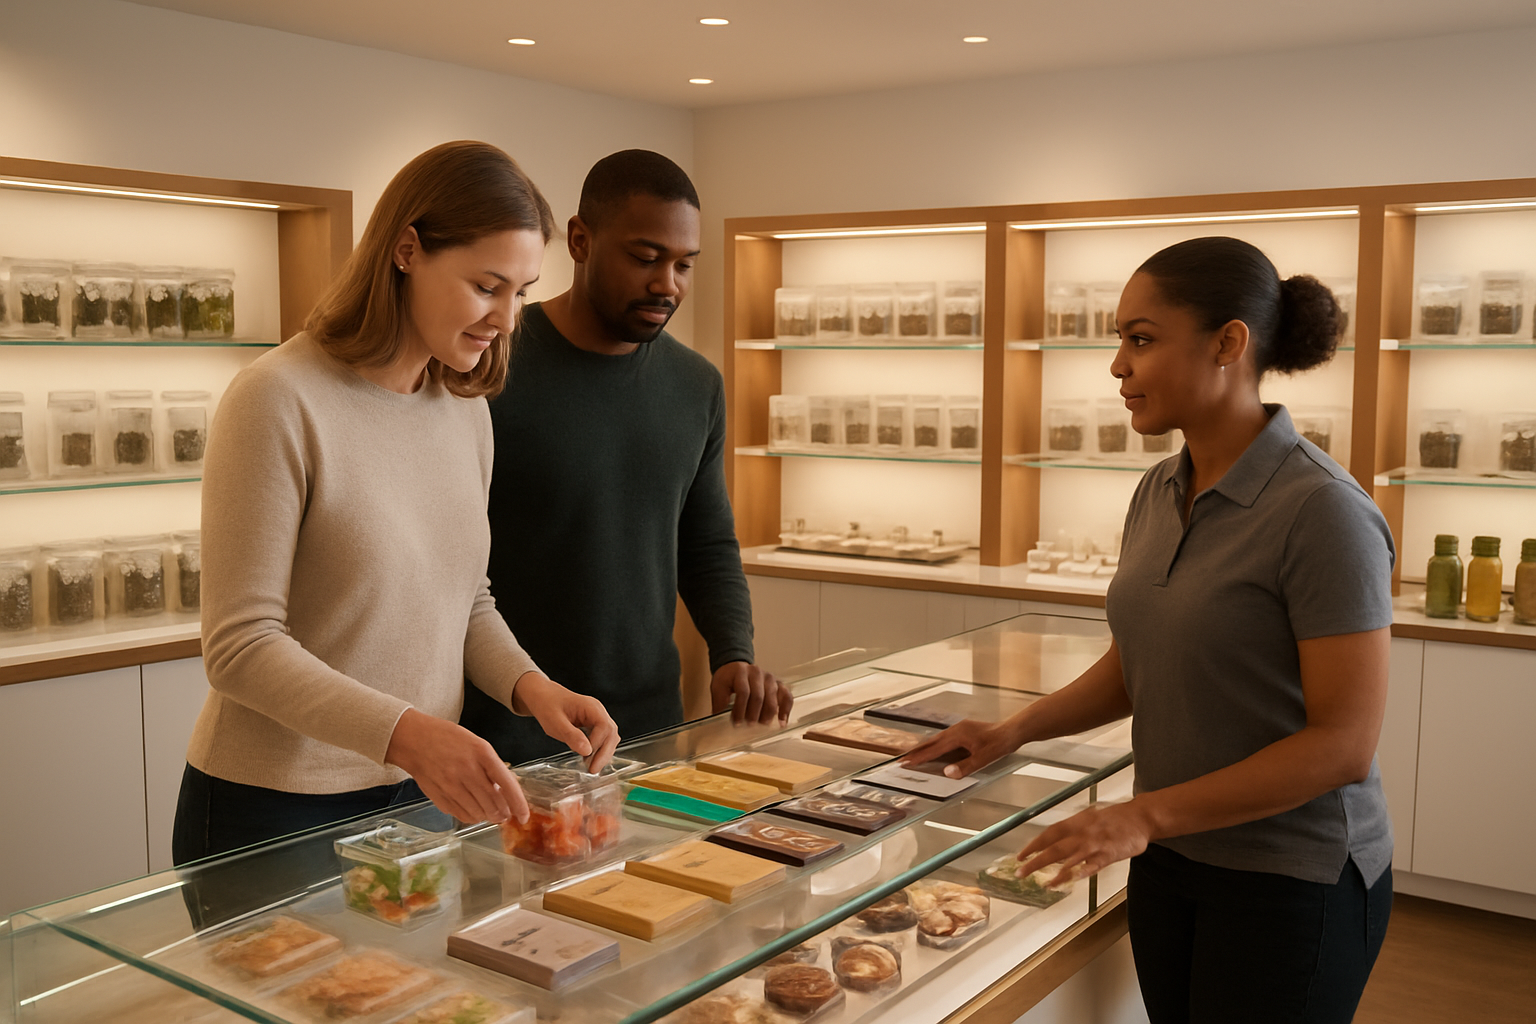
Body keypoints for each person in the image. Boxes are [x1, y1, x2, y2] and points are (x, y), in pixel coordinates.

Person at [903, 237, 1395, 1024]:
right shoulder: (1160, 487)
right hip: (1173, 860)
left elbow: (1342, 743)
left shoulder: (1323, 511)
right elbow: (1137, 665)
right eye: (1119, 341)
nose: (1117, 366)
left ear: (1228, 343)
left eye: (1141, 338)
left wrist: (1140, 814)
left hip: (1291, 881)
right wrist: (1012, 732)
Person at [174, 141, 620, 869]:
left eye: (522, 292)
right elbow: (240, 647)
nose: (508, 320)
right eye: (486, 286)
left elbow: (464, 601)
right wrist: (412, 735)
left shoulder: (463, 408)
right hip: (276, 808)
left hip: (419, 797)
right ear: (407, 249)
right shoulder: (277, 398)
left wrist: (531, 687)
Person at [460, 149, 791, 765]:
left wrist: (733, 653)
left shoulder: (697, 385)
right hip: (504, 727)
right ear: (581, 241)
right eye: (645, 258)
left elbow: (707, 541)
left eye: (684, 264)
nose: (667, 284)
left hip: (646, 728)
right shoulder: (488, 364)